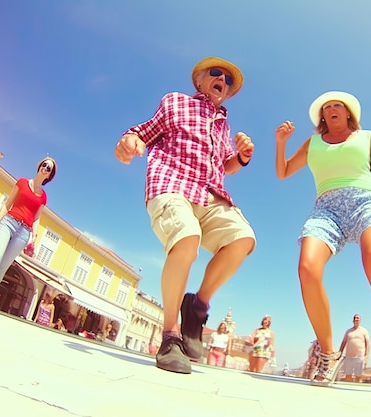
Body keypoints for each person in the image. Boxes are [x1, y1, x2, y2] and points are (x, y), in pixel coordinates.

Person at [274, 91, 371, 395]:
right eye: (326, 107)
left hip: (368, 201)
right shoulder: (313, 143)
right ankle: (328, 356)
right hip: (326, 208)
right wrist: (281, 144)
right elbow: (284, 172)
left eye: (336, 106)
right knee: (307, 268)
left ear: (348, 113)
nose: (331, 110)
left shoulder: (367, 137)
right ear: (322, 117)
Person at [114, 57, 256, 374]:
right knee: (187, 238)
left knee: (243, 239)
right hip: (172, 184)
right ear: (200, 82)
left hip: (209, 195)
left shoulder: (223, 124)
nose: (222, 79)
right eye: (215, 74)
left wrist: (241, 158)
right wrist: (129, 141)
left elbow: (223, 167)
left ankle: (197, 306)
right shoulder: (175, 103)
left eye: (228, 80)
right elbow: (143, 132)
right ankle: (170, 335)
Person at [0, 158, 56, 308]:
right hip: (8, 222)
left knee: (4, 265)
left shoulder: (43, 197)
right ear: (39, 166)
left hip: (24, 232)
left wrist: (33, 238)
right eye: (44, 165)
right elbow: (7, 204)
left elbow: (36, 218)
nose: (45, 168)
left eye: (49, 168)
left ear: (49, 175)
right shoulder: (22, 182)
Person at [338, 314, 369, 382]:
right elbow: (343, 342)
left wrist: (367, 355)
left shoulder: (364, 331)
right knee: (348, 375)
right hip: (349, 357)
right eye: (355, 318)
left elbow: (367, 343)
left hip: (359, 357)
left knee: (359, 376)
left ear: (360, 320)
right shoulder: (348, 331)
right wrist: (339, 352)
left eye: (358, 318)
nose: (356, 320)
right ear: (353, 320)